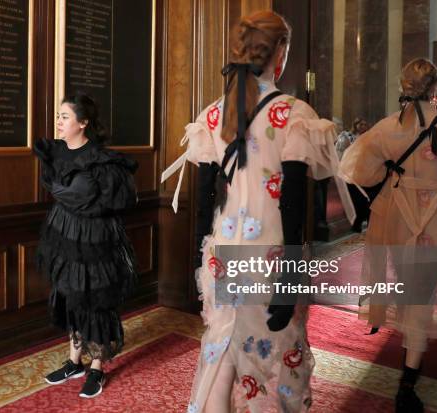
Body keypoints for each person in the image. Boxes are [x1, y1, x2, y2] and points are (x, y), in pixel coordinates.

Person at [162, 11, 353, 412]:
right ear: (279, 52)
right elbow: (294, 199)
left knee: (223, 348)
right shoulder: (293, 114)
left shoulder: (213, 115)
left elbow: (204, 198)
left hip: (222, 251)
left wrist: (203, 256)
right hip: (272, 254)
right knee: (280, 356)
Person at [339, 58, 437, 413]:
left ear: (403, 87)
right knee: (421, 297)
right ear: (435, 88)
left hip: (395, 219)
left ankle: (409, 369)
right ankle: (407, 383)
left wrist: (394, 170)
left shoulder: (385, 128)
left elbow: (357, 170)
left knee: (413, 293)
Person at [33, 93, 138, 398]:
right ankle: (74, 361)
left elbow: (104, 200)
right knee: (69, 293)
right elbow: (60, 190)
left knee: (96, 299)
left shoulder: (102, 159)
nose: (59, 121)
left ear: (83, 123)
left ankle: (96, 369)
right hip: (64, 232)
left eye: (65, 116)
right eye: (58, 116)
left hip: (95, 236)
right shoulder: (56, 152)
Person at [336, 118, 371, 232]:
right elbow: (341, 151)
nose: (362, 126)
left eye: (365, 124)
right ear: (355, 125)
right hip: (350, 171)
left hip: (365, 172)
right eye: (360, 124)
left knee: (364, 199)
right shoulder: (348, 136)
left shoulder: (371, 137)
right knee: (355, 198)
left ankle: (360, 222)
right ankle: (355, 223)